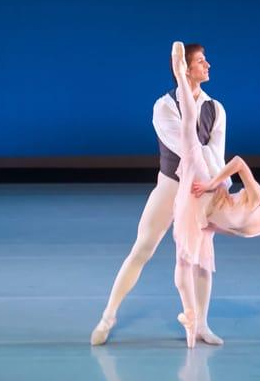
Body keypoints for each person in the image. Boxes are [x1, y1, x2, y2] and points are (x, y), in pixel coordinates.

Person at [91, 43, 231, 346]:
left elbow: (216, 156)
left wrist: (216, 187)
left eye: (207, 60)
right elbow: (187, 149)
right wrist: (208, 176)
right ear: (184, 68)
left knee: (202, 260)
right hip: (171, 186)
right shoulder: (164, 106)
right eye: (201, 61)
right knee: (143, 249)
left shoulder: (216, 108)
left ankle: (201, 324)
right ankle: (108, 316)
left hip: (201, 190)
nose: (208, 65)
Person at [170, 41, 260, 348]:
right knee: (190, 130)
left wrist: (211, 225)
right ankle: (179, 74)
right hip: (206, 188)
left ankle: (197, 323)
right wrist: (213, 184)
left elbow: (232, 225)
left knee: (199, 263)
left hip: (208, 212)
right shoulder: (257, 198)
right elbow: (239, 162)